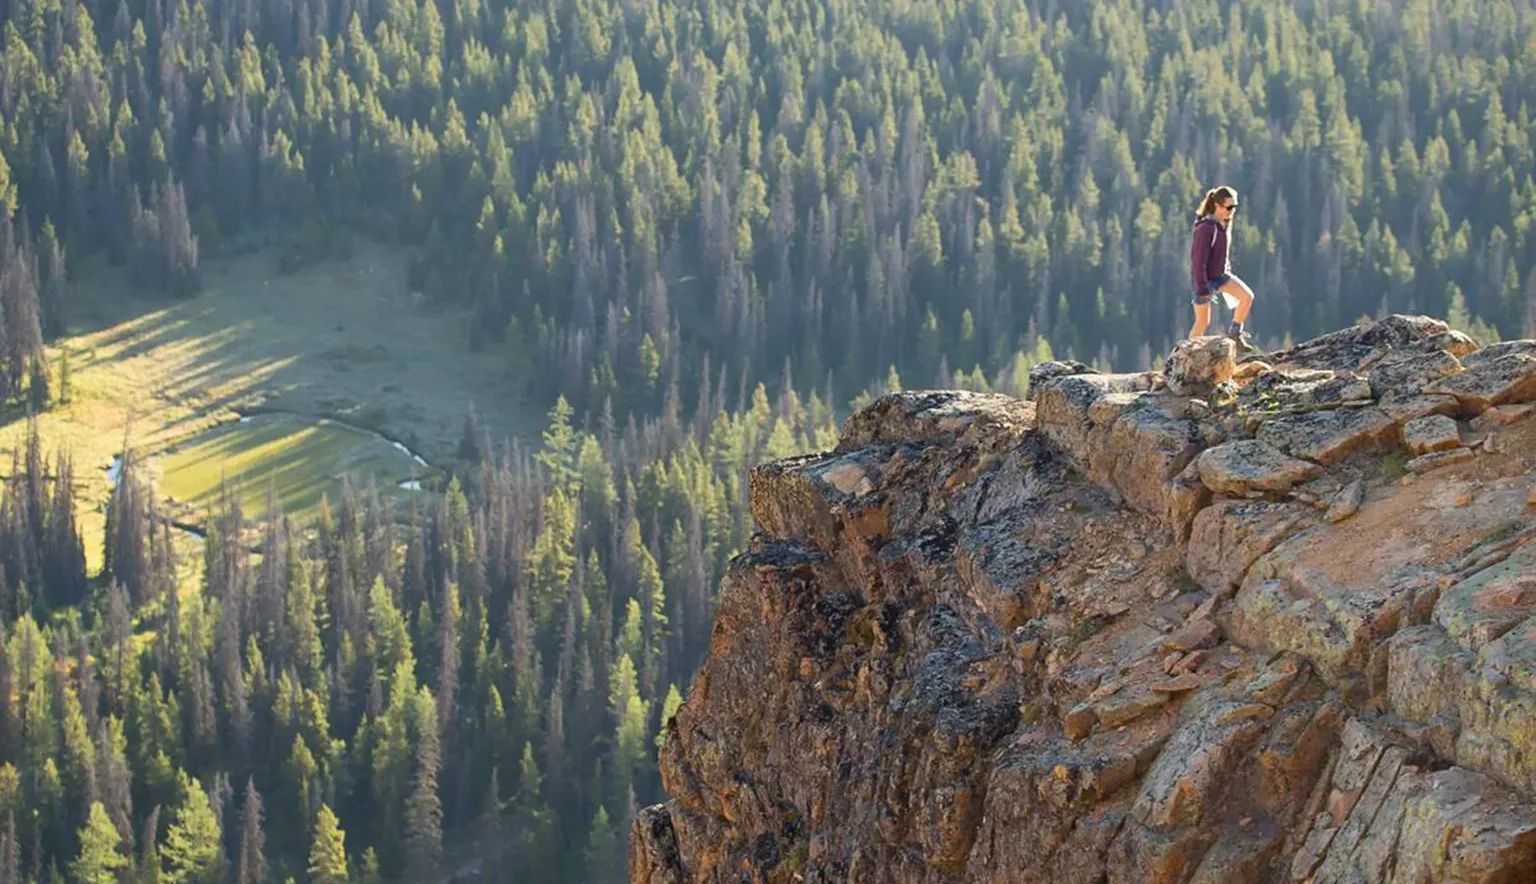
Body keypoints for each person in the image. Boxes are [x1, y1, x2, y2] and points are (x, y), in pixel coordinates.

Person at [1188, 185, 1257, 350]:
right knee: (1203, 322)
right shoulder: (1206, 228)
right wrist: (1203, 288)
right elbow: (1198, 261)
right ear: (1217, 206)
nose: (1232, 210)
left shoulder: (1225, 224)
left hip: (1221, 276)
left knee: (1247, 297)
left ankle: (1235, 334)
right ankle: (1186, 354)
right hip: (1204, 280)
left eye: (1235, 206)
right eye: (1229, 207)